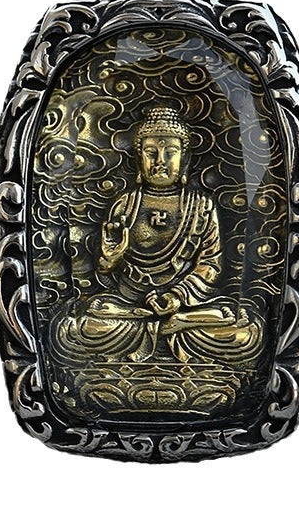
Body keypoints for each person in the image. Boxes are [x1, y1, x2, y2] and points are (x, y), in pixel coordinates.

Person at [52, 107, 262, 364]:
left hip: (186, 306)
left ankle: (176, 324)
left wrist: (176, 297)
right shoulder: (125, 205)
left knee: (244, 333)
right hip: (132, 305)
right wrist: (109, 259)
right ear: (138, 157)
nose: (160, 161)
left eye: (170, 152)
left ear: (184, 158)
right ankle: (168, 329)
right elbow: (106, 276)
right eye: (151, 153)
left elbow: (211, 264)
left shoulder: (201, 206)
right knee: (80, 326)